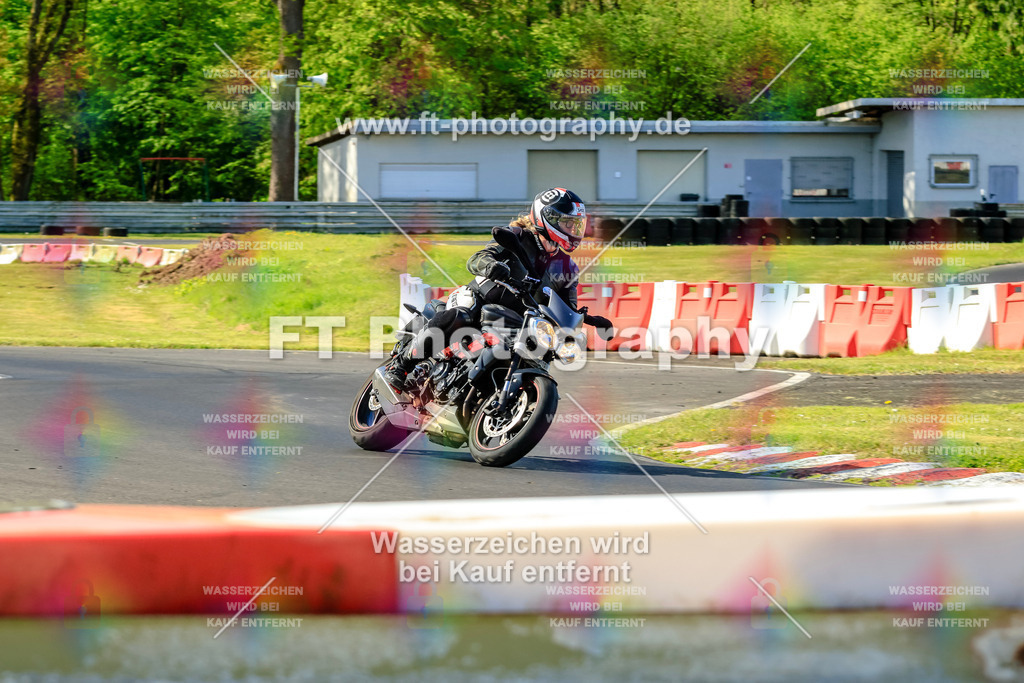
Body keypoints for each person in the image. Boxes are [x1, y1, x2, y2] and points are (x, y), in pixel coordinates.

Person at [385, 187, 612, 389]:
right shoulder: (517, 236)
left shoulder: (568, 267)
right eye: (567, 223)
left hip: (517, 319)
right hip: (482, 298)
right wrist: (492, 267)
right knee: (461, 314)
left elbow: (567, 307)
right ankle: (402, 365)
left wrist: (585, 321)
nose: (573, 229)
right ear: (547, 218)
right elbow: (476, 259)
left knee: (541, 350)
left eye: (576, 224)